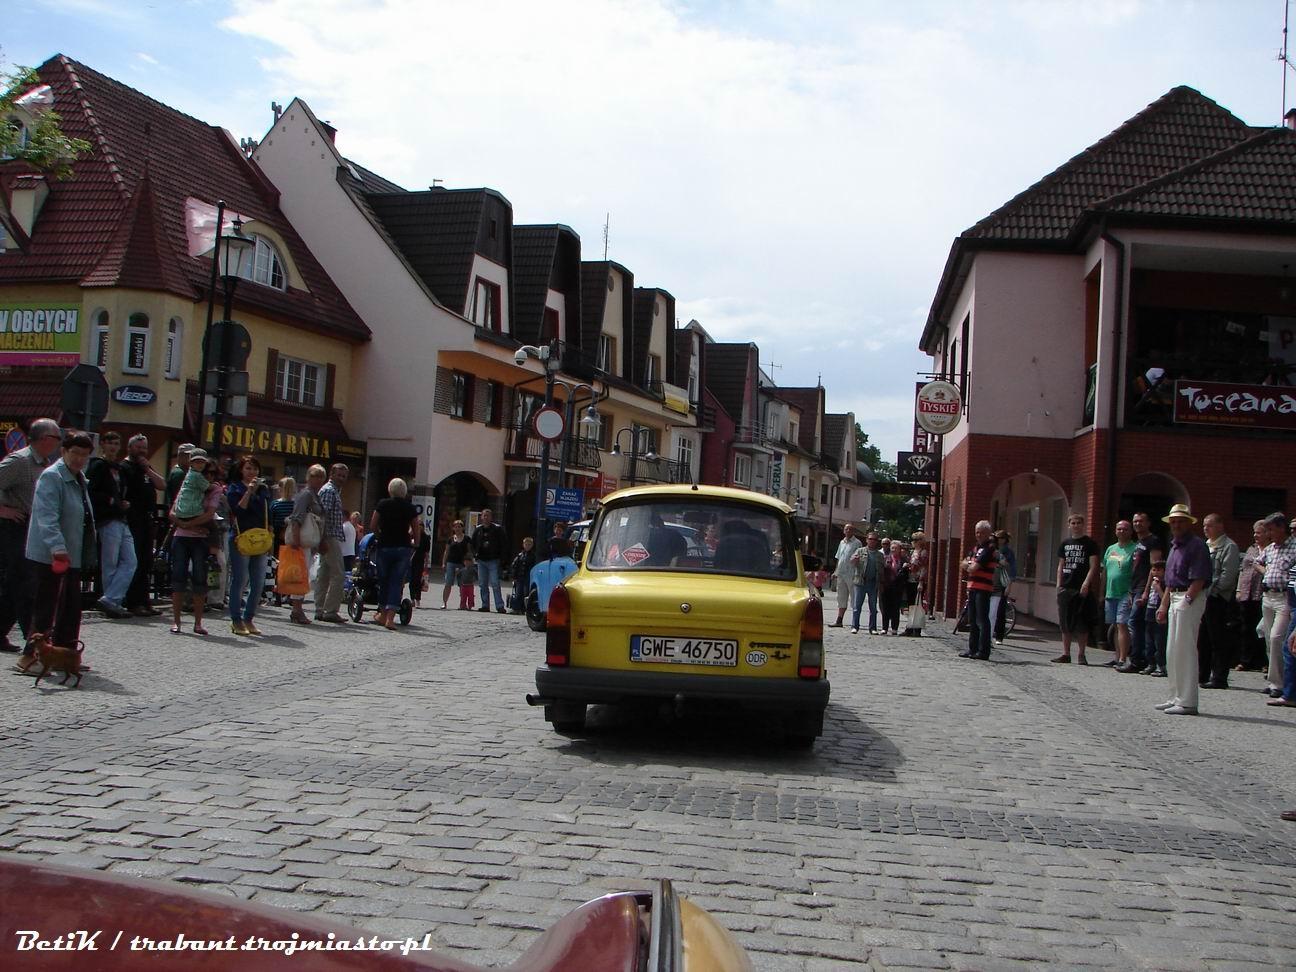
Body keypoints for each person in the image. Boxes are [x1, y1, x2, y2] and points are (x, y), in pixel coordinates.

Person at [14, 431, 95, 674]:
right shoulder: (52, 477)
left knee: (70, 608)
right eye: (75, 453)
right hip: (50, 555)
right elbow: (47, 517)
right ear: (63, 451)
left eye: (84, 454)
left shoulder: (80, 479)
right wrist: (58, 548)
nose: (79, 459)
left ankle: (67, 656)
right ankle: (29, 657)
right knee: (45, 608)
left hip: (72, 554)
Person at [0, 418, 62, 654]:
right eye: (57, 437)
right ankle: (36, 643)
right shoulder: (20, 460)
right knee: (26, 585)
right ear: (45, 439)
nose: (59, 443)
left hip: (31, 528)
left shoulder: (45, 463)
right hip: (14, 527)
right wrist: (3, 509)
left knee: (13, 586)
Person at [1154, 504, 1212, 715]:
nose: (1176, 525)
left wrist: (1187, 600)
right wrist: (1164, 604)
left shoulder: (1196, 545)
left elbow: (1200, 577)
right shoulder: (1174, 546)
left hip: (1189, 596)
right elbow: (1170, 580)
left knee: (1185, 649)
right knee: (1172, 650)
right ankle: (1175, 696)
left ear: (1189, 523)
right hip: (1175, 596)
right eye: (1173, 522)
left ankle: (1187, 701)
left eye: (1180, 521)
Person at [168, 454, 219, 636]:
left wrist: (188, 523)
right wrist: (183, 524)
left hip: (200, 539)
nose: (210, 476)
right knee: (178, 578)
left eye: (213, 473)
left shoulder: (214, 489)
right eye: (207, 472)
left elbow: (209, 514)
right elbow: (173, 511)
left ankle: (198, 623)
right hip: (181, 537)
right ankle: (176, 621)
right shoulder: (189, 482)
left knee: (199, 579)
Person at [86, 431, 136, 619]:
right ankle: (113, 602)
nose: (113, 447)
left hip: (121, 517)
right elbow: (91, 490)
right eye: (110, 443)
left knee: (130, 561)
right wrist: (110, 500)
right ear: (103, 445)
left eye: (116, 443)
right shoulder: (98, 465)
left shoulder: (119, 468)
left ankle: (110, 599)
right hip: (107, 518)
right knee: (110, 563)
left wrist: (123, 502)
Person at [120, 433, 164, 616]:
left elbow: (162, 485)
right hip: (132, 520)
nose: (142, 451)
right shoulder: (124, 467)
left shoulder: (145, 467)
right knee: (135, 561)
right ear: (130, 447)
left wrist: (147, 469)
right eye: (138, 447)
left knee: (146, 562)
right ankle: (133, 602)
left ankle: (145, 600)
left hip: (147, 520)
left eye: (144, 448)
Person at [226, 456, 271, 636]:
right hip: (242, 537)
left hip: (260, 537)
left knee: (258, 581)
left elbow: (267, 513)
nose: (252, 472)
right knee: (240, 579)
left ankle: (249, 618)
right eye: (248, 468)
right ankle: (236, 619)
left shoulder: (264, 489)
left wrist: (270, 536)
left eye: (255, 469)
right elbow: (238, 511)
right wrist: (249, 491)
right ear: (241, 470)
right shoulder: (234, 488)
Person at [368, 478, 421, 630]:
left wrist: (379, 536)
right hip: (403, 547)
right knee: (397, 582)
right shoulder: (410, 507)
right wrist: (416, 543)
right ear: (404, 491)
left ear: (390, 490)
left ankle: (382, 614)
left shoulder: (382, 504)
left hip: (385, 546)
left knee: (384, 580)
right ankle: (390, 618)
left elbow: (373, 525)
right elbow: (416, 527)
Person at [1253, 512, 1296, 698]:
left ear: (1281, 528)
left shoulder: (1294, 546)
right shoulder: (1270, 548)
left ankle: (1281, 683)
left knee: (1277, 637)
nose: (1269, 534)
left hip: (1284, 598)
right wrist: (1267, 571)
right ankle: (1274, 682)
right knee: (1269, 639)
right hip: (1268, 596)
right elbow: (1256, 562)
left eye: (1271, 530)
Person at [1198, 513, 1240, 690]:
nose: (1206, 529)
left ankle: (1219, 677)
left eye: (1209, 525)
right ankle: (1202, 674)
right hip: (1202, 597)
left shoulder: (1229, 546)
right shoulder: (1205, 545)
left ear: (1220, 526)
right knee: (1203, 638)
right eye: (1204, 525)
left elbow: (1228, 576)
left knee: (1218, 639)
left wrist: (1213, 592)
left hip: (1217, 598)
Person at [1052, 513, 1099, 665]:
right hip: (1066, 587)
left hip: (1081, 588)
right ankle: (1066, 654)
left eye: (1079, 523)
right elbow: (1061, 565)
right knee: (1065, 622)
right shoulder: (1065, 544)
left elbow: (1093, 566)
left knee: (1081, 622)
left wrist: (1086, 583)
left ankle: (1081, 654)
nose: (1076, 525)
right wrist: (1059, 585)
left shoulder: (1090, 544)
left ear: (1083, 524)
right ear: (1069, 525)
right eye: (1073, 523)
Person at [286, 464, 327, 625]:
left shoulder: (315, 495)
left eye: (321, 477)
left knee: (304, 576)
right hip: (301, 541)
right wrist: (296, 541)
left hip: (309, 542)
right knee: (300, 576)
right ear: (308, 477)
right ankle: (297, 609)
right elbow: (296, 518)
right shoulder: (306, 495)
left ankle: (297, 609)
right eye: (315, 476)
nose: (318, 480)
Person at [1124, 511, 1164, 675]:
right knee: (1136, 624)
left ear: (1148, 523)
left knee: (1135, 623)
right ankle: (1140, 659)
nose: (1137, 524)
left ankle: (1138, 660)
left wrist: (1147, 590)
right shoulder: (1138, 543)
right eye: (1135, 521)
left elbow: (1155, 568)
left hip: (1143, 588)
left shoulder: (1153, 541)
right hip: (1134, 587)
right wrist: (1130, 590)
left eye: (1141, 521)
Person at [312, 463, 349, 623]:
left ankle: (320, 609)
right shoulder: (329, 491)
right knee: (338, 574)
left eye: (344, 476)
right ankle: (330, 611)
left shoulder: (334, 491)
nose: (342, 478)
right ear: (331, 474)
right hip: (329, 536)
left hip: (329, 536)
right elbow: (322, 516)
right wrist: (322, 539)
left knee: (324, 574)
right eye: (339, 475)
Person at [959, 520, 999, 660]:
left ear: (988, 533)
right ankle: (972, 649)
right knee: (973, 619)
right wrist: (970, 564)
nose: (978, 535)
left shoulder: (989, 548)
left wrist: (970, 564)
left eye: (982, 532)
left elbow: (974, 568)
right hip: (972, 587)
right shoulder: (976, 548)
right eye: (977, 532)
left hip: (983, 588)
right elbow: (963, 563)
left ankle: (983, 651)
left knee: (982, 620)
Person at [1102, 521, 1137, 670]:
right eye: (1119, 529)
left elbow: (1136, 572)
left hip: (1125, 593)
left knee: (1122, 624)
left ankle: (1123, 658)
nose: (1122, 531)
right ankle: (1117, 657)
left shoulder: (1134, 548)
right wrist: (1101, 592)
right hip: (1111, 592)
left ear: (1130, 531)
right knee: (1115, 625)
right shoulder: (1111, 549)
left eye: (1125, 529)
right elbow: (1105, 572)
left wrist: (1131, 592)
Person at [1236, 520, 1268, 671]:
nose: (1255, 535)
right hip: (1246, 592)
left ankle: (1263, 662)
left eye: (1259, 532)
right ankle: (1245, 660)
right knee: (1246, 628)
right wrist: (1238, 590)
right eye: (1254, 532)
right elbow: (1242, 571)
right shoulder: (1251, 549)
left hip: (1260, 593)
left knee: (1261, 629)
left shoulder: (1270, 549)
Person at [471, 508, 507, 613]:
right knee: (482, 584)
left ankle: (499, 605)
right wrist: (475, 554)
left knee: (495, 583)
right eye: (484, 516)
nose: (486, 518)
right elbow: (473, 543)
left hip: (493, 559)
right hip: (481, 560)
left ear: (491, 517)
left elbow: (504, 544)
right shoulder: (478, 529)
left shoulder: (497, 529)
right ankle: (485, 605)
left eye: (488, 516)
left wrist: (502, 559)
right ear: (481, 517)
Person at [850, 531, 884, 635]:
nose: (872, 541)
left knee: (873, 607)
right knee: (857, 606)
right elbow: (852, 561)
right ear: (866, 540)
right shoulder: (860, 551)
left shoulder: (879, 555)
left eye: (874, 539)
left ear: (877, 541)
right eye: (870, 539)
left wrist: (881, 582)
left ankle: (873, 628)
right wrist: (854, 560)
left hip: (873, 583)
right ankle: (855, 626)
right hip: (860, 582)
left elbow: (882, 570)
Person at [829, 523, 861, 628]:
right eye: (846, 529)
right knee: (841, 597)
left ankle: (855, 622)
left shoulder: (857, 543)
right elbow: (839, 558)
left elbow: (859, 558)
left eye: (850, 529)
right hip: (841, 574)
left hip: (852, 574)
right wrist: (836, 571)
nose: (847, 531)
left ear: (853, 531)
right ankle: (839, 620)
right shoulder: (842, 542)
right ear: (844, 531)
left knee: (854, 598)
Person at [990, 530, 1017, 644]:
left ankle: (999, 635)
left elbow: (1012, 570)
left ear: (1005, 540)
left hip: (1002, 583)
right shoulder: (992, 549)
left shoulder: (1008, 552)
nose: (999, 540)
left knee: (1001, 610)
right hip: (991, 581)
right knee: (990, 610)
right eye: (997, 538)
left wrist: (1009, 585)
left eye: (1001, 538)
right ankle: (990, 633)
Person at [171, 448, 212, 520]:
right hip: (191, 511)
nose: (200, 465)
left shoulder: (190, 473)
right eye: (197, 462)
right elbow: (208, 487)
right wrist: (216, 486)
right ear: (191, 463)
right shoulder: (196, 475)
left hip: (181, 509)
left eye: (202, 462)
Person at [1144, 562, 1168, 678]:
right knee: (1149, 642)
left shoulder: (1165, 584)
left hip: (1160, 616)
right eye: (1154, 570)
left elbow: (1165, 599)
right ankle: (1151, 663)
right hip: (1150, 613)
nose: (1156, 572)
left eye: (1159, 570)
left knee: (1160, 642)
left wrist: (1158, 589)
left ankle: (1161, 666)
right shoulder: (1152, 583)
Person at [879, 538, 907, 635]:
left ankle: (894, 628)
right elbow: (881, 571)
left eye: (896, 548)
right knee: (885, 608)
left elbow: (905, 575)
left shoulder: (903, 560)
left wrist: (904, 569)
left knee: (895, 608)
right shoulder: (885, 558)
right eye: (892, 548)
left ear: (899, 549)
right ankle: (884, 628)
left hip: (897, 587)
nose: (894, 550)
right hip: (886, 586)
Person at [441, 519, 469, 610]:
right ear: (453, 528)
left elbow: (469, 552)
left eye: (459, 527)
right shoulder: (450, 539)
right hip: (451, 563)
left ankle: (463, 604)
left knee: (462, 584)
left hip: (462, 563)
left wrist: (469, 563)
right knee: (448, 583)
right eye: (455, 527)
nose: (457, 528)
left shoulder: (467, 539)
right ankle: (444, 603)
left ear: (462, 528)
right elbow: (446, 551)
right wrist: (443, 563)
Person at [510, 537, 536, 614]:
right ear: (523, 545)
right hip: (520, 577)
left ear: (532, 545)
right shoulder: (520, 555)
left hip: (528, 577)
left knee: (526, 593)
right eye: (526, 544)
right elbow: (514, 566)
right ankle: (516, 608)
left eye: (529, 544)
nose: (527, 546)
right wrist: (514, 576)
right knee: (518, 593)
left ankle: (525, 609)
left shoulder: (533, 556)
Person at [165, 442, 194, 510]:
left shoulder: (186, 471)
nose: (191, 458)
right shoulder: (179, 473)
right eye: (188, 455)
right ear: (180, 456)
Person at [409, 524, 431, 608]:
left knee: (417, 580)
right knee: (411, 580)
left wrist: (426, 563)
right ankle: (412, 599)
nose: (419, 527)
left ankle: (417, 599)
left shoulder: (426, 537)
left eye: (421, 525)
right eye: (418, 525)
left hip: (420, 560)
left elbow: (427, 552)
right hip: (410, 560)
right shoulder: (412, 535)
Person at [341, 509, 357, 576]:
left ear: (344, 516)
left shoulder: (343, 527)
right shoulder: (352, 527)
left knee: (343, 573)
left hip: (344, 554)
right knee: (348, 573)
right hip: (351, 553)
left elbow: (340, 540)